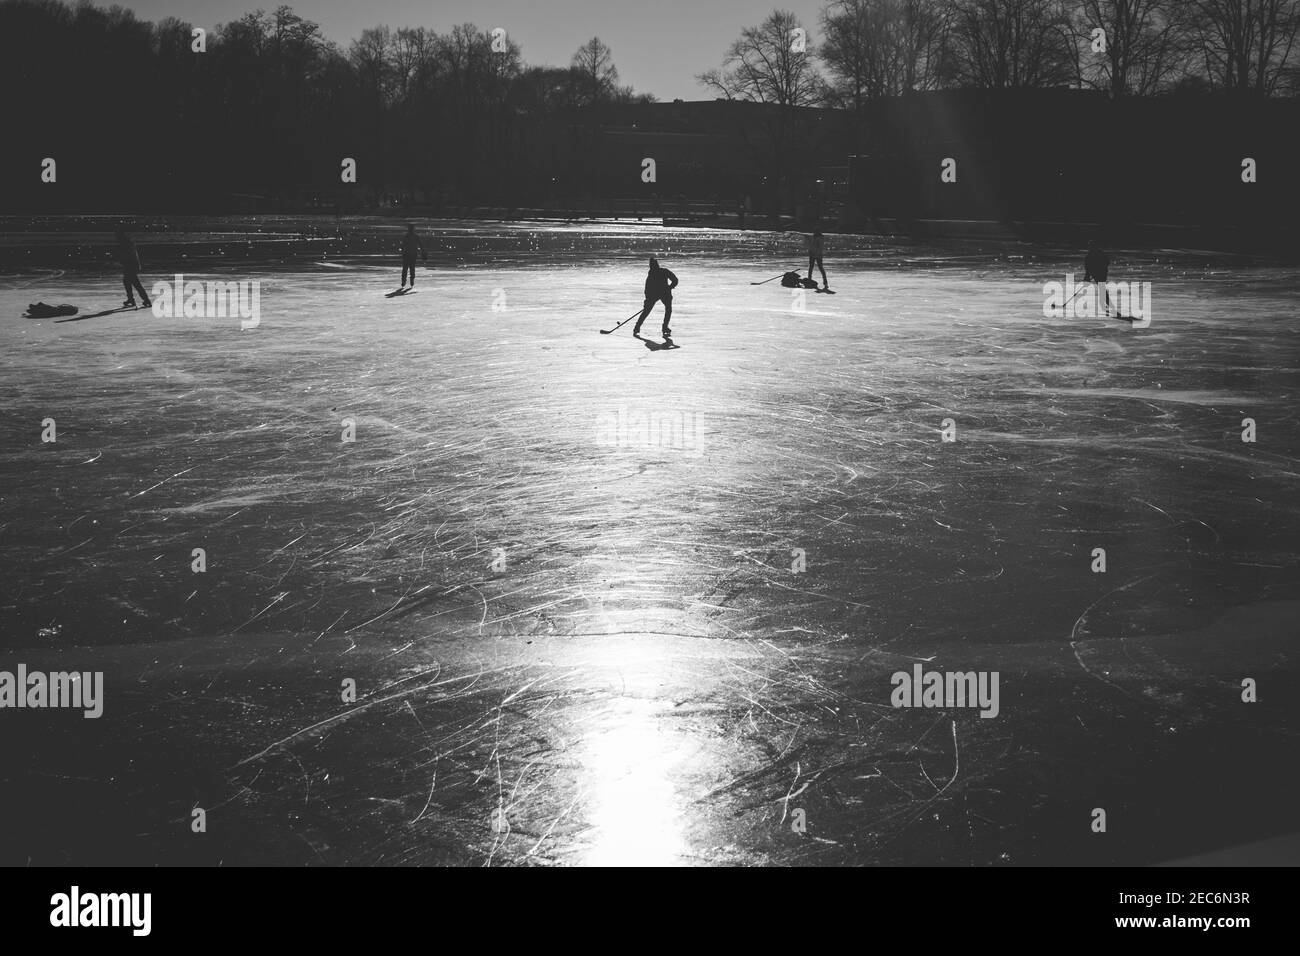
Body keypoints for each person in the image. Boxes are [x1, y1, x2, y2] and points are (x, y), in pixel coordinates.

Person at [633, 257, 678, 339]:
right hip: (655, 294)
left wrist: (669, 287)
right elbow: (647, 289)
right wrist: (647, 300)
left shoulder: (661, 272)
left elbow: (675, 280)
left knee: (667, 309)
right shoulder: (654, 274)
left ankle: (664, 327)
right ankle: (637, 327)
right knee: (648, 310)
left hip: (664, 294)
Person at [114, 231, 151, 308]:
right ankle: (132, 299)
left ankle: (145, 300)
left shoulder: (125, 244)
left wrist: (121, 261)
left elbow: (127, 256)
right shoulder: (128, 243)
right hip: (131, 266)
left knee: (135, 283)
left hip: (129, 266)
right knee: (128, 283)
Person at [1084, 240, 1111, 314]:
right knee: (1102, 288)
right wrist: (1087, 276)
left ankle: (1107, 304)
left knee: (1102, 288)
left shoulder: (1100, 254)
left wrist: (1088, 276)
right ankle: (1107, 304)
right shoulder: (1089, 256)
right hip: (1096, 273)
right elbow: (1088, 267)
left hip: (1102, 273)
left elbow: (1107, 262)